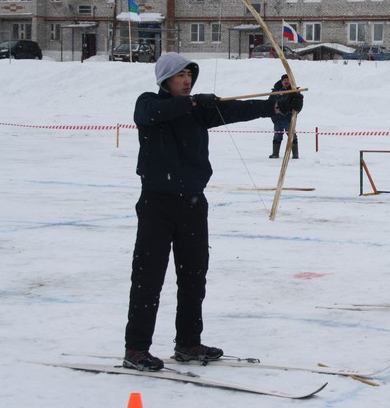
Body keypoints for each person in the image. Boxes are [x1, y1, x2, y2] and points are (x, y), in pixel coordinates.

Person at [124, 53, 303, 371]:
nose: (186, 81)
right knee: (148, 279)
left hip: (193, 204)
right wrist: (192, 103)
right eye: (180, 76)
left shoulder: (199, 110)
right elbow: (152, 114)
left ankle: (188, 343)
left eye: (189, 75)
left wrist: (278, 105)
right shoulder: (149, 103)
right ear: (165, 80)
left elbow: (237, 109)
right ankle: (136, 349)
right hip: (157, 204)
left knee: (194, 277)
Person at [268, 74, 299, 159]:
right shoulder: (275, 92)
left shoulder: (294, 91)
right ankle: (275, 153)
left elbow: (298, 104)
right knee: (277, 136)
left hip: (289, 118)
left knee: (292, 136)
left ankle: (295, 154)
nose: (286, 81)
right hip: (277, 119)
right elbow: (269, 104)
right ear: (281, 81)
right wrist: (273, 116)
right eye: (284, 80)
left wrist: (295, 112)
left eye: (288, 80)